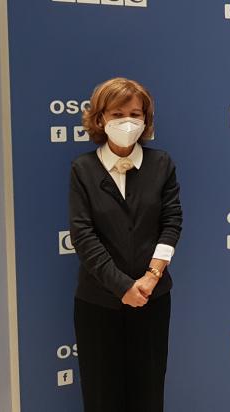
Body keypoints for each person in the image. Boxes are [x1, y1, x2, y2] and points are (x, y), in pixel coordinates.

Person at [68, 77, 182, 412]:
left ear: (146, 119)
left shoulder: (161, 165)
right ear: (100, 118)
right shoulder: (83, 169)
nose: (127, 121)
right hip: (97, 303)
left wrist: (151, 277)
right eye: (117, 114)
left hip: (152, 299)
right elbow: (83, 235)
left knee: (148, 391)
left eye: (135, 113)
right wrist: (123, 287)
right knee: (101, 394)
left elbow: (171, 223)